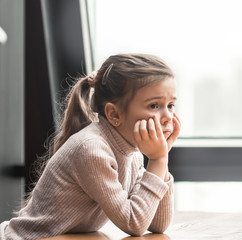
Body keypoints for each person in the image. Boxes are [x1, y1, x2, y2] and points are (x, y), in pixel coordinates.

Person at [0, 53, 181, 239]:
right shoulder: (92, 149)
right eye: (153, 105)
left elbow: (157, 224)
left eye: (171, 105)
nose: (167, 116)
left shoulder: (132, 153)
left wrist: (161, 162)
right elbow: (134, 223)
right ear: (114, 114)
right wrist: (158, 160)